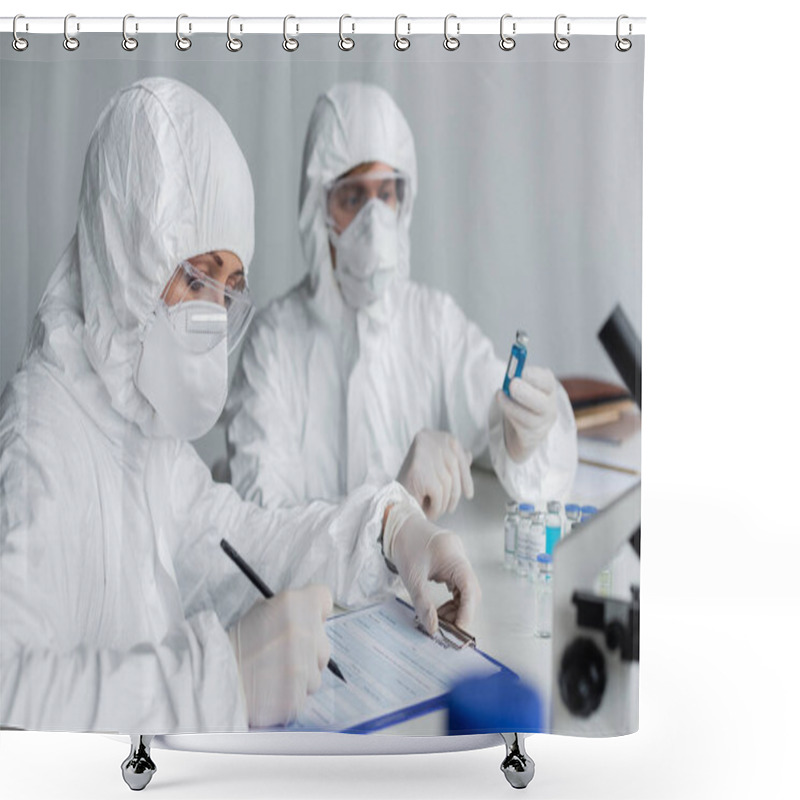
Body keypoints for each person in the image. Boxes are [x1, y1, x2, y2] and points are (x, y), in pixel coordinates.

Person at [0, 78, 479, 734]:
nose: (213, 314)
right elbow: (10, 696)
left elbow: (239, 537)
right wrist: (215, 679)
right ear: (126, 250)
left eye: (230, 288)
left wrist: (389, 530)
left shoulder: (140, 433)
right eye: (198, 276)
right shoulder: (41, 442)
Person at [225, 82, 578, 523]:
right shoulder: (273, 343)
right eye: (353, 197)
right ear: (319, 209)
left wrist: (523, 439)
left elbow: (497, 408)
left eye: (387, 194)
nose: (375, 221)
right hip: (318, 593)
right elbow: (261, 526)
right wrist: (389, 508)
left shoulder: (434, 323)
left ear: (403, 202)